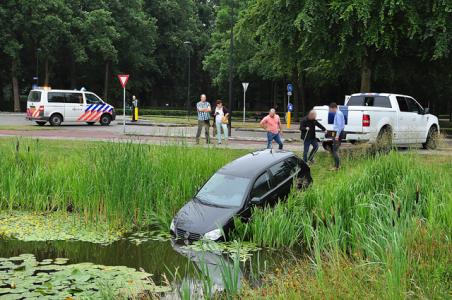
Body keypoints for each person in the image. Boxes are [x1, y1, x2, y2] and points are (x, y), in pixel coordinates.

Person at [329, 102, 345, 170]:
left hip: (337, 133)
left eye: (330, 109)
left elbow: (339, 126)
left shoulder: (338, 114)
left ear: (334, 108)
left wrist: (336, 135)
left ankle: (337, 166)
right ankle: (337, 165)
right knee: (335, 149)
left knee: (334, 150)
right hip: (336, 132)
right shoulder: (339, 113)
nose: (330, 111)